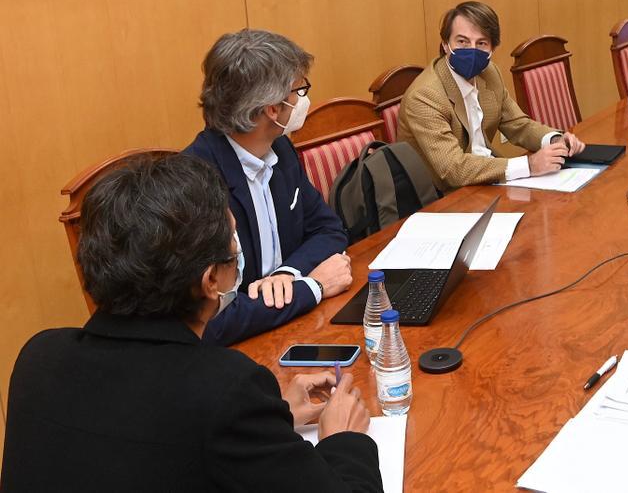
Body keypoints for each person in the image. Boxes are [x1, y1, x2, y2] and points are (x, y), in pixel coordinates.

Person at [1, 154, 382, 491]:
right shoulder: (226, 389)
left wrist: (269, 420)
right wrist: (343, 438)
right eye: (235, 248)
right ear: (211, 280)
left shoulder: (38, 356)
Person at [184, 29, 353, 346]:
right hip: (234, 353)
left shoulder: (281, 150)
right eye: (299, 91)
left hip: (289, 330)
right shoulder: (195, 185)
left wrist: (287, 275)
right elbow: (207, 323)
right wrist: (311, 287)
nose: (304, 100)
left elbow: (329, 229)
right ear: (272, 109)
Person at [395, 1, 586, 192]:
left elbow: (518, 125)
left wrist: (554, 140)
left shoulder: (489, 72)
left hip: (486, 182)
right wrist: (529, 165)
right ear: (445, 45)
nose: (472, 50)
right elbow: (453, 169)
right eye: (462, 42)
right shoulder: (425, 96)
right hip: (442, 198)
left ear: (492, 49)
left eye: (481, 43)